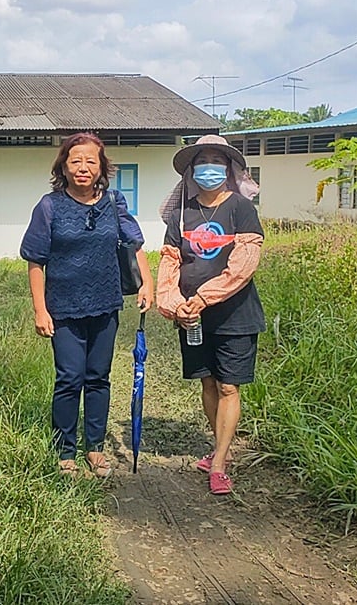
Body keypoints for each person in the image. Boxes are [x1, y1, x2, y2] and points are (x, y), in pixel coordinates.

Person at [20, 132, 154, 478]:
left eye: (90, 161)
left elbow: (134, 244)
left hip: (105, 303)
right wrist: (40, 309)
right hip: (63, 307)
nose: (83, 167)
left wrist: (147, 283)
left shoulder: (114, 201)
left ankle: (94, 448)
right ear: (63, 166)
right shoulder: (49, 206)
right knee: (69, 378)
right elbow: (36, 261)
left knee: (99, 378)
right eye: (75, 160)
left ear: (101, 167)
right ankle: (65, 450)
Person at [156, 134, 265, 496]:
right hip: (193, 317)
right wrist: (174, 303)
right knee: (207, 382)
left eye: (217, 162)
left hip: (235, 314)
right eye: (202, 162)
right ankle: (222, 448)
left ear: (229, 169)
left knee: (228, 385)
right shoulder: (181, 213)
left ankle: (218, 463)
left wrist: (202, 298)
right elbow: (170, 262)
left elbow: (242, 266)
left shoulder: (241, 209)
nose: (209, 168)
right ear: (190, 171)